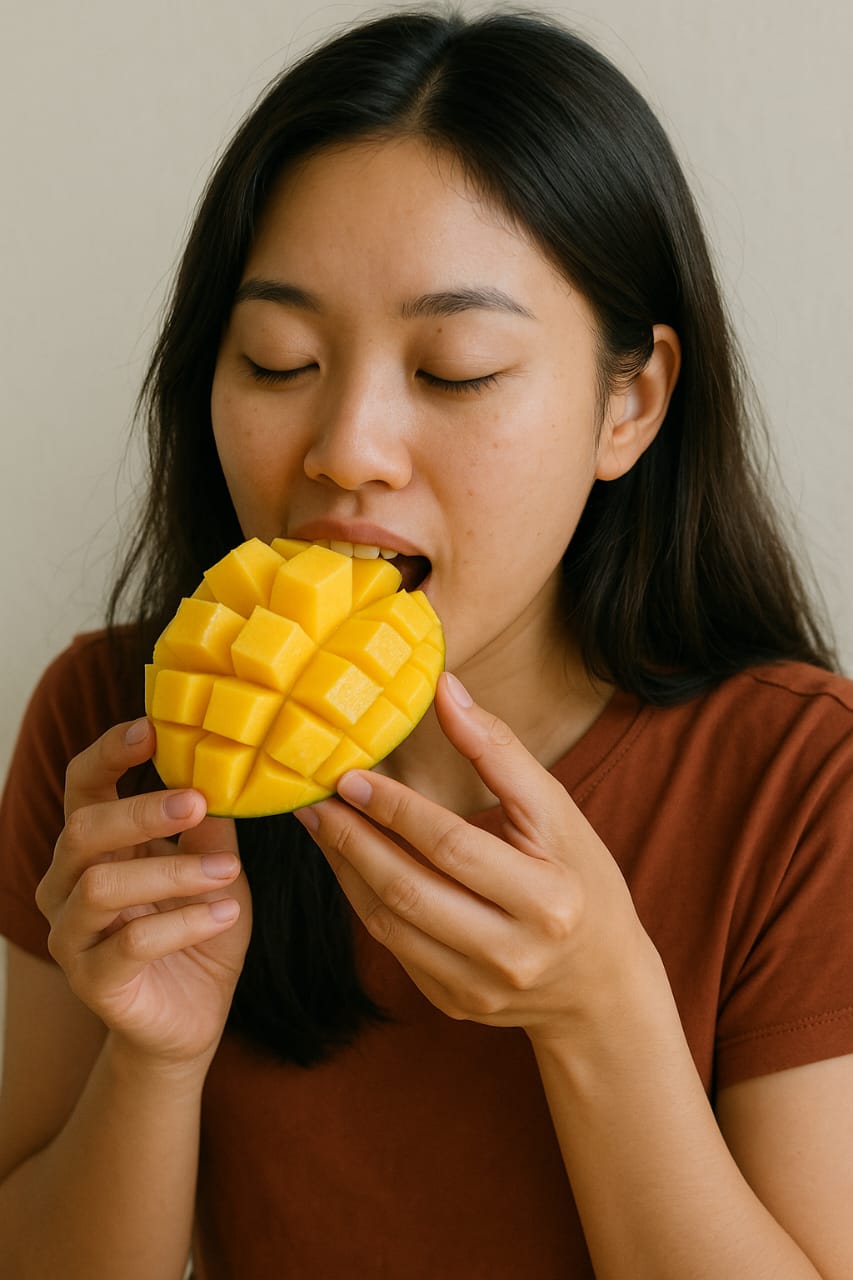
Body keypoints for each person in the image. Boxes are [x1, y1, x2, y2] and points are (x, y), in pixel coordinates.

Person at [0, 8, 851, 1278]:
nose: (347, 445)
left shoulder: (803, 780)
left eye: (454, 369)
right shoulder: (116, 736)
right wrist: (154, 1058)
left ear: (631, 403)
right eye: (277, 358)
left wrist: (599, 1010)